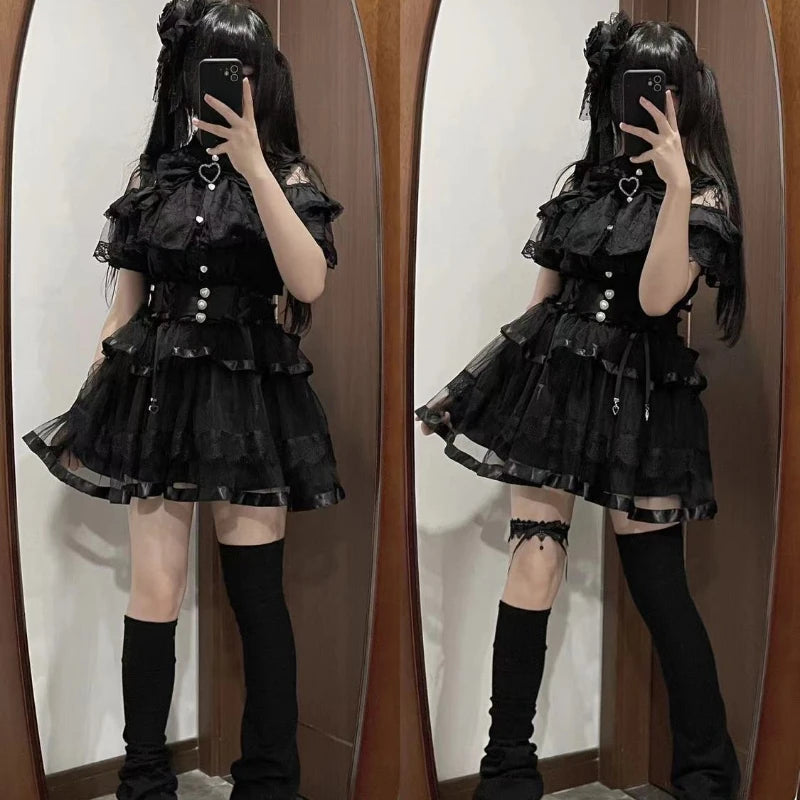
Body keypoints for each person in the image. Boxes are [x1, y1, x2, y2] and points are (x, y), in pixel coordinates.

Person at [415, 12, 744, 800]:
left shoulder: (702, 194)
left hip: (645, 393)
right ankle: (507, 769)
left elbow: (658, 299)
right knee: (533, 557)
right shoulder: (580, 187)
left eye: (664, 88)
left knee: (658, 583)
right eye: (635, 87)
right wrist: (497, 387)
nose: (649, 103)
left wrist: (674, 185)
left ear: (687, 97)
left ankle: (706, 770)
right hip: (557, 380)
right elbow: (542, 303)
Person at [22, 2, 344, 798]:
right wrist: (96, 401)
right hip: (158, 392)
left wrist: (255, 164)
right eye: (215, 72)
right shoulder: (152, 180)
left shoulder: (289, 177)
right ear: (184, 82)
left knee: (256, 595)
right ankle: (144, 780)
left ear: (264, 83)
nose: (231, 88)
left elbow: (308, 282)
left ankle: (268, 781)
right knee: (155, 590)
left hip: (250, 395)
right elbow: (124, 310)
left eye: (244, 73)